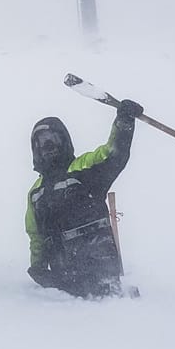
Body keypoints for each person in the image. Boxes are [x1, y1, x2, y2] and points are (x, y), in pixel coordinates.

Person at [24, 98, 143, 298]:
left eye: (53, 138)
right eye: (42, 142)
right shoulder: (36, 193)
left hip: (100, 271)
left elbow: (114, 154)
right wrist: (38, 266)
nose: (49, 146)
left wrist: (124, 122)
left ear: (64, 141)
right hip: (65, 283)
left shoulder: (82, 169)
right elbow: (36, 236)